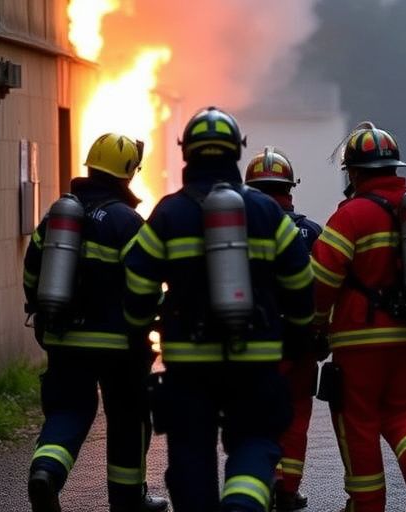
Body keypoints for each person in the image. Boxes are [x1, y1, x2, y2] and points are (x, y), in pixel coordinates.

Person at [122, 106, 315, 512]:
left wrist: (141, 329)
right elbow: (299, 278)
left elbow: (138, 279)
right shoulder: (265, 212)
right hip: (257, 357)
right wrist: (297, 333)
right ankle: (242, 505)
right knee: (255, 441)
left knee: (191, 451)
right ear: (236, 153)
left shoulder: (169, 213)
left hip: (189, 362)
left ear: (187, 153)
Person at [311, 122, 406, 512]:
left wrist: (318, 322)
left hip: (360, 341)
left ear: (354, 172)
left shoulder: (349, 216)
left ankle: (367, 505)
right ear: (395, 168)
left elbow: (322, 279)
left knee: (358, 423)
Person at [23, 133, 168, 512]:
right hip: (119, 345)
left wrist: (41, 313)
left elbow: (32, 270)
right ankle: (127, 501)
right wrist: (155, 315)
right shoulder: (127, 221)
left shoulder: (58, 215)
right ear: (126, 175)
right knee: (128, 419)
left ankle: (46, 472)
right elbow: (145, 282)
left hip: (64, 336)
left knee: (68, 411)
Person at [242, 147, 323, 512]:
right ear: (290, 189)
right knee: (296, 417)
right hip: (300, 342)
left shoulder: (234, 231)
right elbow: (326, 288)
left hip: (251, 344)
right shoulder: (310, 232)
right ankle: (288, 489)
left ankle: (263, 481)